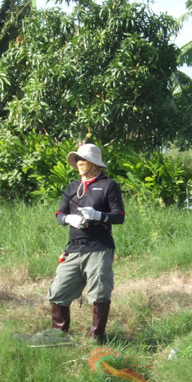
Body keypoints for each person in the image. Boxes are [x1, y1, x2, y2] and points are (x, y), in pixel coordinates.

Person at [46, 143, 125, 343]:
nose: (80, 163)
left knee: (99, 293)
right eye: (78, 159)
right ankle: (59, 335)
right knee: (58, 291)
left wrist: (98, 215)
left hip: (99, 248)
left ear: (94, 163)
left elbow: (119, 216)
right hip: (74, 249)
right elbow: (59, 214)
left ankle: (96, 338)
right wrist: (67, 219)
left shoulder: (109, 185)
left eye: (84, 159)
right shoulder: (72, 187)